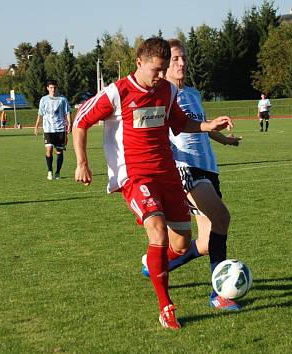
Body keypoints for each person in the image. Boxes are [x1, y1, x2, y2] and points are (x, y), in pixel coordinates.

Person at [73, 37, 232, 330]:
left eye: (163, 70)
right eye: (156, 70)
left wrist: (208, 126)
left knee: (181, 244)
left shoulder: (167, 91)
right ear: (139, 63)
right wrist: (82, 162)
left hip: (168, 175)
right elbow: (80, 121)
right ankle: (166, 307)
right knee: (157, 231)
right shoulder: (116, 92)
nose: (160, 76)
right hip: (135, 176)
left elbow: (180, 123)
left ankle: (153, 262)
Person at [139, 38, 243, 311]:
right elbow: (167, 129)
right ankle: (218, 294)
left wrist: (224, 139)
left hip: (209, 167)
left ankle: (156, 265)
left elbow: (200, 126)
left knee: (207, 242)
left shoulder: (193, 93)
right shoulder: (162, 94)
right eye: (175, 59)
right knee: (222, 217)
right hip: (185, 168)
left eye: (183, 57)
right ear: (163, 65)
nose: (182, 63)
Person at [35, 80, 71, 180]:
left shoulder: (62, 99)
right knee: (49, 150)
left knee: (59, 151)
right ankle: (50, 171)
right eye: (51, 87)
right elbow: (40, 113)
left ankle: (58, 172)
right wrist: (36, 126)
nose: (53, 89)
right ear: (47, 88)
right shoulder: (43, 99)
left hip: (60, 128)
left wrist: (70, 123)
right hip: (48, 129)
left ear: (57, 88)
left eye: (54, 87)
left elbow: (67, 112)